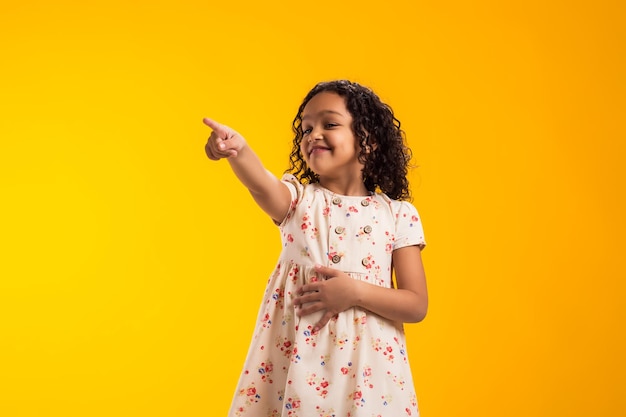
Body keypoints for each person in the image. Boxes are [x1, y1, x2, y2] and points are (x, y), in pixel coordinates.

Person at [204, 80, 428, 416]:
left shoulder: (397, 215)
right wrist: (239, 150)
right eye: (307, 128)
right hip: (300, 363)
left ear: (369, 141)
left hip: (369, 374)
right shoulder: (299, 202)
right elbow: (261, 184)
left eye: (330, 124)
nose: (313, 135)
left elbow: (415, 304)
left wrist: (354, 291)